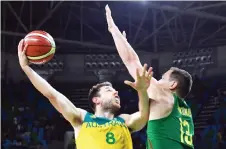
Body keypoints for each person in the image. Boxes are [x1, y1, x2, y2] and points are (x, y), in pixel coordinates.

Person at [17, 39, 153, 149]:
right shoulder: (82, 118)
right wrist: (26, 68)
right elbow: (52, 94)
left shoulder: (124, 121)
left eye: (115, 91)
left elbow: (143, 115)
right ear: (96, 100)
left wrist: (142, 90)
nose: (116, 92)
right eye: (108, 90)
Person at [105, 5, 194, 149]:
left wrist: (113, 30)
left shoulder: (164, 97)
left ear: (172, 86)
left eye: (161, 79)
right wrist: (125, 44)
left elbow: (131, 61)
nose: (156, 81)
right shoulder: (185, 109)